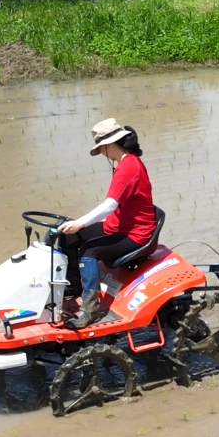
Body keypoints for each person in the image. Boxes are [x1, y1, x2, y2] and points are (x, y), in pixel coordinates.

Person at [58, 118, 156, 328]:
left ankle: (90, 310)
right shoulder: (125, 163)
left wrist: (81, 222)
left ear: (109, 145)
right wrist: (77, 226)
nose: (102, 153)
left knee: (89, 251)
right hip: (118, 224)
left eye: (102, 148)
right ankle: (75, 290)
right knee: (68, 235)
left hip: (135, 233)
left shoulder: (129, 166)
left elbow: (110, 204)